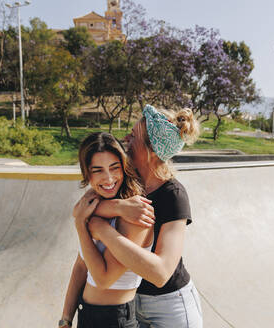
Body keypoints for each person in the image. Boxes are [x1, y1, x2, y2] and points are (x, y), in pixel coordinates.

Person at [88, 104, 203, 327]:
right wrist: (117, 207)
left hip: (171, 307)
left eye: (133, 136)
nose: (125, 139)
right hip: (130, 304)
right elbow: (85, 206)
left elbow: (161, 273)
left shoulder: (173, 195)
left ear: (151, 152)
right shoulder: (123, 184)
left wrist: (103, 231)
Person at [60, 132, 153, 328]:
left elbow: (103, 279)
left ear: (124, 167)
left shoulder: (135, 213)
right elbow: (81, 266)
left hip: (115, 320)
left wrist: (82, 225)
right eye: (98, 170)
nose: (109, 178)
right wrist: (65, 320)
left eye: (114, 168)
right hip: (86, 315)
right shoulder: (95, 202)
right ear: (87, 173)